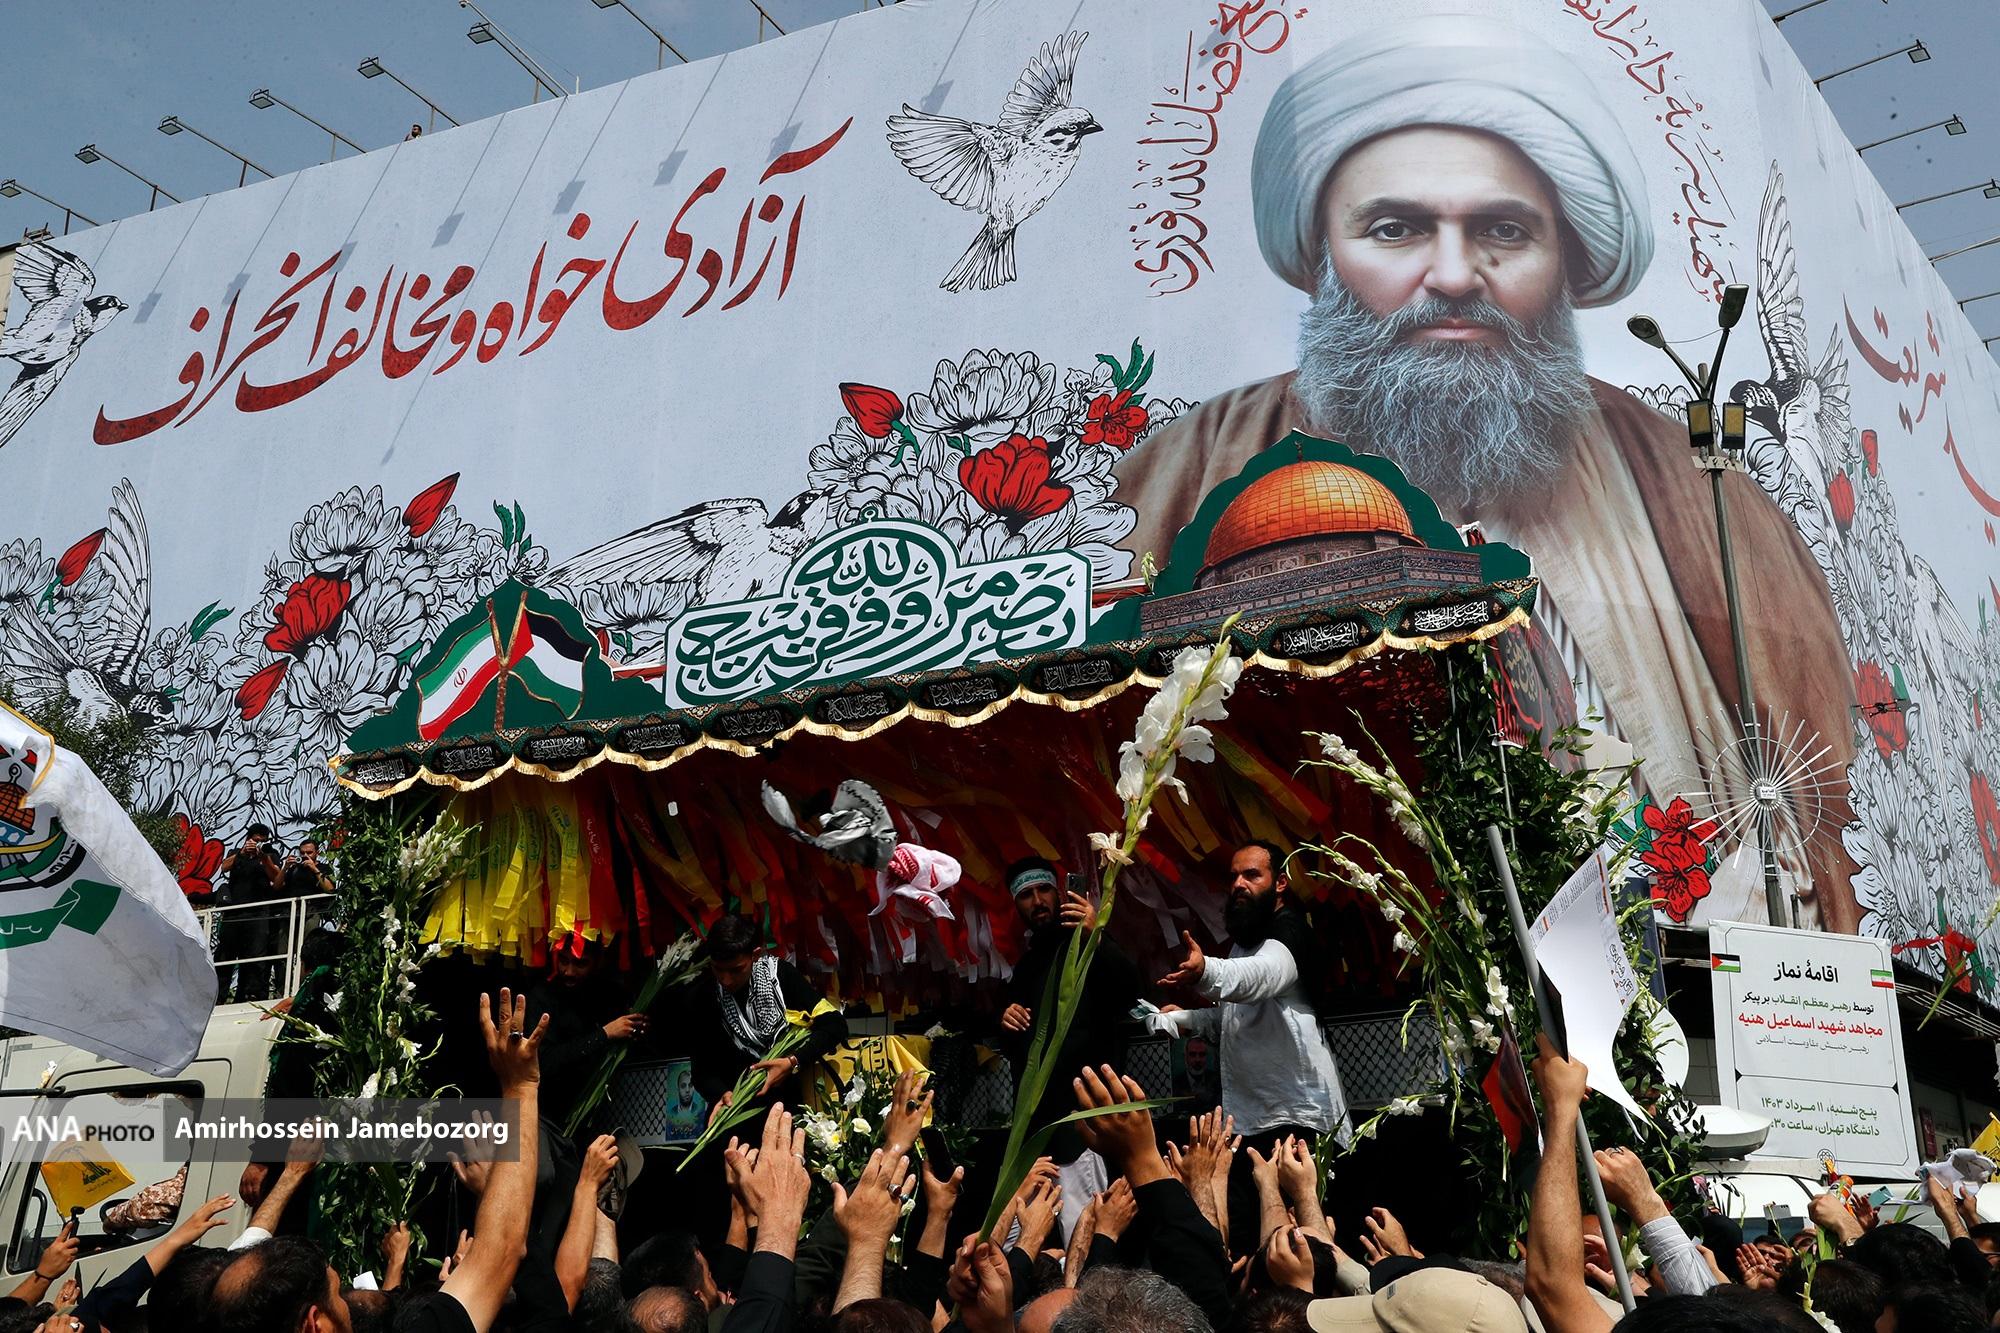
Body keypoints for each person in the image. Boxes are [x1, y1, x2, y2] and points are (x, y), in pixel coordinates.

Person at [1114, 14, 1857, 932]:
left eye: (1503, 229)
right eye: (1395, 228)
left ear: (1565, 258)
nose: (1455, 274)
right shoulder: (1182, 470)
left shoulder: (1703, 488)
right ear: (1321, 255)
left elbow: (1811, 801)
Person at [1150, 841, 1349, 1252]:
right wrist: (1184, 1020)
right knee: (1253, 1246)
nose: (1239, 884)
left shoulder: (1289, 931)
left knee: (1302, 1246)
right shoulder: (1242, 945)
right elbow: (1233, 1020)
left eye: (1252, 875)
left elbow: (1262, 978)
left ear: (1280, 883)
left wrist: (1206, 971)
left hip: (1295, 1117)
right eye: (1234, 877)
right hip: (1249, 1122)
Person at [1000, 858, 1146, 1235]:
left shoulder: (1088, 945)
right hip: (1038, 1131)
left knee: (1084, 1229)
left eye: (1043, 891)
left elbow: (1130, 991)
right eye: (1026, 895)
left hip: (1083, 1124)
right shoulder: (1026, 967)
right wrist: (1008, 1018)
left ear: (1059, 893)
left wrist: (1096, 935)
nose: (1037, 902)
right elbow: (1018, 1042)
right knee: (1033, 1235)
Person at [683, 913, 849, 1118]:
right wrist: (722, 1094)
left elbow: (835, 1025)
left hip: (790, 1111)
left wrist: (792, 1062)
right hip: (736, 1115)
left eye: (736, 970)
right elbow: (702, 1071)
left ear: (755, 955)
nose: (726, 980)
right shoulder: (704, 997)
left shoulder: (780, 977)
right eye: (718, 970)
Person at [524, 933, 648, 1127]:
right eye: (563, 961)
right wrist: (605, 1034)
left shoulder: (611, 994)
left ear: (598, 962)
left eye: (580, 964)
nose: (568, 971)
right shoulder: (543, 997)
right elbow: (544, 1061)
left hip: (609, 1110)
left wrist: (635, 1030)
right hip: (554, 1114)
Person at [216, 822, 285, 1002]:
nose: (259, 844)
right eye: (256, 840)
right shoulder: (237, 853)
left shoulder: (270, 854)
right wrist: (242, 853)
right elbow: (224, 867)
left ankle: (250, 995)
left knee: (255, 957)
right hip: (234, 912)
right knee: (225, 955)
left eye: (263, 841)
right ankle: (219, 996)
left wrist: (264, 857)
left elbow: (276, 878)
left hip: (258, 913)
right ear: (248, 839)